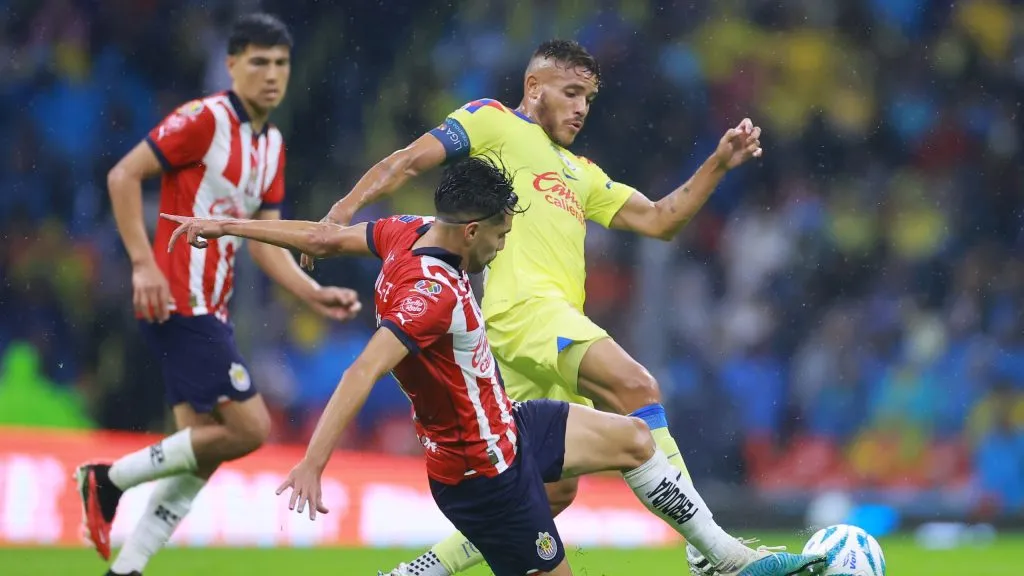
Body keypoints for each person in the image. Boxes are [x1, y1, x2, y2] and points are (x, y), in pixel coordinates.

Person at [159, 155, 825, 576]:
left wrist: (231, 229)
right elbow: (362, 372)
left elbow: (325, 237)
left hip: (508, 428)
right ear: (473, 228)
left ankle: (725, 559)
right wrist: (312, 460)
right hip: (484, 475)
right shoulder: (432, 296)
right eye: (503, 233)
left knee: (634, 437)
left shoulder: (407, 233)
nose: (505, 246)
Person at [307, 39, 776, 576]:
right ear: (535, 88)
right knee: (637, 387)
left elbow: (660, 220)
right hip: (524, 311)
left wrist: (717, 163)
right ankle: (711, 552)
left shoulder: (581, 172)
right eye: (572, 92)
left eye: (589, 99)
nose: (581, 108)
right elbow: (408, 161)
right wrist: (338, 215)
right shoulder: (492, 121)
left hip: (528, 336)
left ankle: (419, 572)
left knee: (548, 490)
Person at [75, 14, 361, 576]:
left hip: (213, 306)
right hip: (179, 298)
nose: (272, 74)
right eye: (258, 61)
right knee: (249, 429)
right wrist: (142, 264)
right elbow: (122, 176)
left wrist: (311, 292)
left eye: (281, 63)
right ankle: (106, 480)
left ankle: (125, 569)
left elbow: (263, 242)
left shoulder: (272, 145)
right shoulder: (205, 120)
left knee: (202, 449)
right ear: (232, 65)